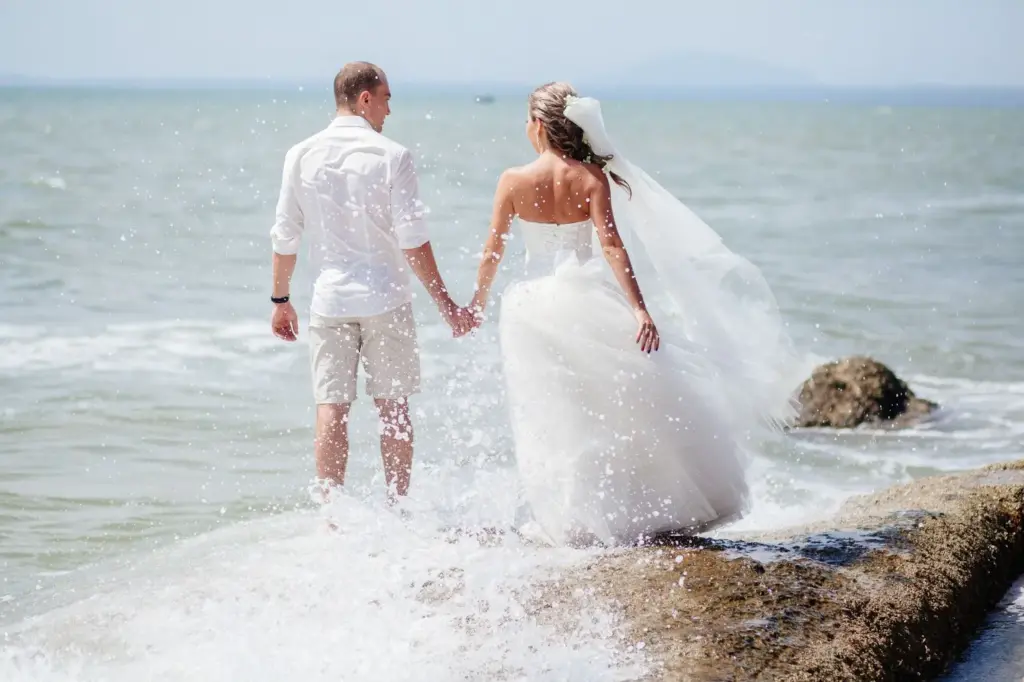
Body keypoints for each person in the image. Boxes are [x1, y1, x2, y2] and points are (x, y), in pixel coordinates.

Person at [469, 82, 803, 547]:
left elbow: (492, 252)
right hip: (586, 298)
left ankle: (571, 520)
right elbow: (611, 246)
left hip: (530, 309)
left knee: (553, 414)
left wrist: (476, 304)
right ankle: (628, 510)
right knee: (610, 410)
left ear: (538, 126)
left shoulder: (512, 180)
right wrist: (639, 310)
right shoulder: (589, 178)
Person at [268, 61, 477, 502]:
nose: (388, 110)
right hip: (387, 299)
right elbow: (414, 241)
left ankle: (332, 517)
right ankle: (397, 508)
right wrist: (447, 307)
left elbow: (286, 235)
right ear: (365, 98)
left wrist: (281, 299)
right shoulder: (393, 155)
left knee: (331, 409)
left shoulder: (299, 154)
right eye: (385, 99)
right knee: (394, 408)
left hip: (331, 302)